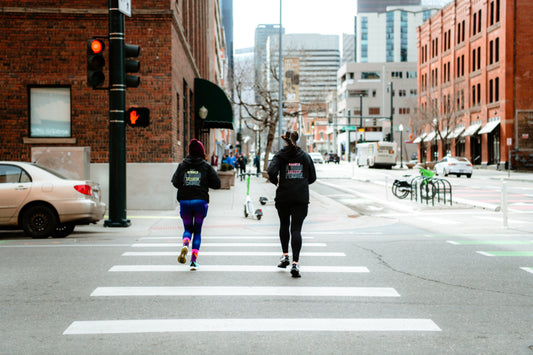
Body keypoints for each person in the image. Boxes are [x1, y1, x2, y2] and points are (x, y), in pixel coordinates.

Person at [267, 131, 316, 278]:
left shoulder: (280, 155)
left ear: (285, 141)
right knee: (296, 229)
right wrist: (301, 183)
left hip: (283, 196)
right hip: (301, 197)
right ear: (297, 140)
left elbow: (271, 171)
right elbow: (313, 177)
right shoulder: (305, 156)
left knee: (284, 225)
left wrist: (276, 182)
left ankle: (285, 256)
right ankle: (295, 263)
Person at [171, 139, 221, 270]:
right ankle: (193, 261)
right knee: (197, 231)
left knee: (187, 229)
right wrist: (204, 182)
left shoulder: (182, 165)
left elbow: (175, 182)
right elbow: (217, 184)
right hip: (200, 201)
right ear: (201, 152)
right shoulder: (206, 166)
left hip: (185, 201)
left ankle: (185, 244)